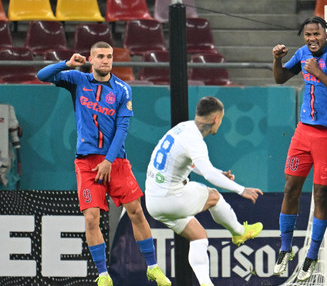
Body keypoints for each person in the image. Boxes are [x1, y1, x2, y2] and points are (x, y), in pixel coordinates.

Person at [36, 42, 171, 286]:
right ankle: (103, 274)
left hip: (115, 161)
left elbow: (123, 127)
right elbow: (42, 75)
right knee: (91, 218)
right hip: (87, 162)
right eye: (100, 56)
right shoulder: (77, 80)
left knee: (137, 212)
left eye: (109, 56)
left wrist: (109, 160)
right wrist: (66, 64)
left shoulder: (122, 89)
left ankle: (152, 267)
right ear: (91, 59)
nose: (106, 60)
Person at [144, 96, 264, 286]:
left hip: (153, 201)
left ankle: (206, 283)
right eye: (222, 120)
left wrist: (219, 173)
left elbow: (193, 164)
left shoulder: (183, 128)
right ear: (216, 118)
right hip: (170, 198)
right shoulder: (194, 139)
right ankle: (239, 231)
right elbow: (207, 174)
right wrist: (241, 190)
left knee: (199, 237)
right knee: (214, 196)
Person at [271, 16, 327, 281]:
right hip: (303, 132)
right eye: (307, 35)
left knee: (320, 195)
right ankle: (285, 248)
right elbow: (281, 79)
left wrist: (318, 73)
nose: (312, 39)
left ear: (326, 33)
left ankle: (312, 254)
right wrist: (277, 60)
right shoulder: (303, 53)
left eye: (316, 34)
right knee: (290, 188)